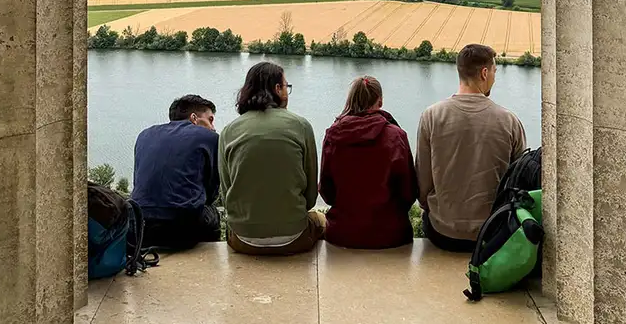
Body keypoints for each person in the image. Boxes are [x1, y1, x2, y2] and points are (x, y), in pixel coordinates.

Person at [415, 43, 525, 252]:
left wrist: (431, 207)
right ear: (484, 73)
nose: (494, 77)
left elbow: (423, 179)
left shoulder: (431, 116)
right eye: (494, 71)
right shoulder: (509, 121)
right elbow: (518, 181)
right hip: (492, 234)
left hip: (442, 232)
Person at [218, 61, 325, 255]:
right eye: (286, 86)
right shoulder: (301, 126)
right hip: (294, 236)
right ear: (277, 89)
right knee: (320, 220)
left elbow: (227, 194)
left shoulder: (228, 131)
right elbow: (310, 195)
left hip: (243, 238)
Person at [319, 75, 417, 249]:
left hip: (343, 233)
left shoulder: (333, 135)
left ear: (351, 100)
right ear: (380, 101)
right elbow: (408, 192)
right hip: (390, 235)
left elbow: (327, 191)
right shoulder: (396, 136)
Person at [131, 93, 221, 251]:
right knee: (212, 214)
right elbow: (211, 191)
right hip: (183, 228)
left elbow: (138, 181)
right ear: (194, 118)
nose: (213, 127)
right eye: (210, 119)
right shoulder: (209, 137)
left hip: (138, 224)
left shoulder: (144, 135)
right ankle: (209, 261)